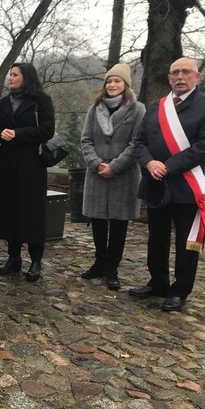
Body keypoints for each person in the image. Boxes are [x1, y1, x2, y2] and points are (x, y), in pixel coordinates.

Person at [130, 57, 205, 312]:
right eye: (175, 73)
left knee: (186, 241)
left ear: (197, 76)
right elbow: (139, 142)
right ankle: (158, 282)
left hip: (187, 185)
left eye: (186, 72)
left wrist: (167, 166)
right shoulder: (155, 107)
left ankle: (180, 290)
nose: (180, 77)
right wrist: (150, 163)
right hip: (157, 183)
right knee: (156, 238)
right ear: (169, 77)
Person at [0, 62, 55, 282]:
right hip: (7, 163)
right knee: (10, 210)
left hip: (32, 163)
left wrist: (17, 133)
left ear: (26, 76)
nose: (10, 78)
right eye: (10, 75)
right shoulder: (4, 103)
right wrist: (0, 135)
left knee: (32, 211)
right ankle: (13, 257)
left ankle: (35, 260)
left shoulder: (42, 101)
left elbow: (47, 130)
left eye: (15, 75)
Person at [79, 63, 146, 290]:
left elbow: (137, 143)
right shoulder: (93, 109)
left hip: (123, 176)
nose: (112, 85)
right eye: (109, 81)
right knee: (98, 221)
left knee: (118, 223)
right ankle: (99, 262)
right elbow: (86, 140)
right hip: (96, 174)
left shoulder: (137, 109)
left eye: (117, 81)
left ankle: (112, 268)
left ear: (125, 85)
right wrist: (97, 163)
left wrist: (115, 166)